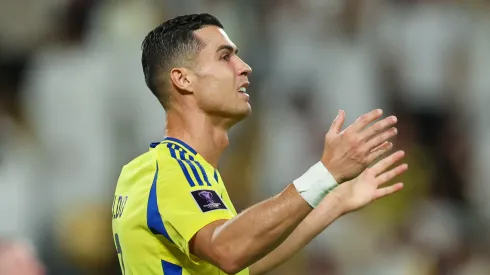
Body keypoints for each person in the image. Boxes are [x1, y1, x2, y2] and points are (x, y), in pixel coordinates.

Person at [111, 13, 407, 275]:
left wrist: (335, 199)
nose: (245, 66)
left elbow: (243, 261)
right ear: (183, 80)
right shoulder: (170, 170)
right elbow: (228, 251)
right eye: (225, 56)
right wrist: (324, 174)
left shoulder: (172, 171)